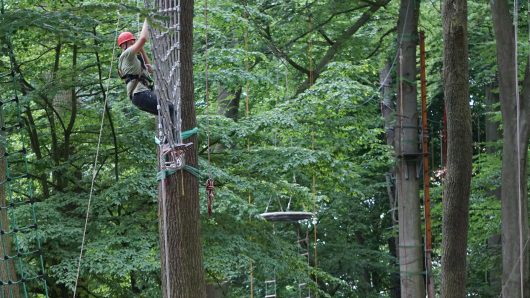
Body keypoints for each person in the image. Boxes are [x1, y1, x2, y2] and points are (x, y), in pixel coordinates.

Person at [118, 19, 173, 118]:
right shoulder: (126, 54)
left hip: (138, 97)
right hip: (140, 93)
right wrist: (147, 19)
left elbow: (149, 69)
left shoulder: (132, 60)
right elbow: (143, 39)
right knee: (170, 108)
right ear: (123, 45)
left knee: (166, 112)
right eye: (131, 44)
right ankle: (180, 133)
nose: (134, 46)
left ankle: (175, 133)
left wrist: (141, 49)